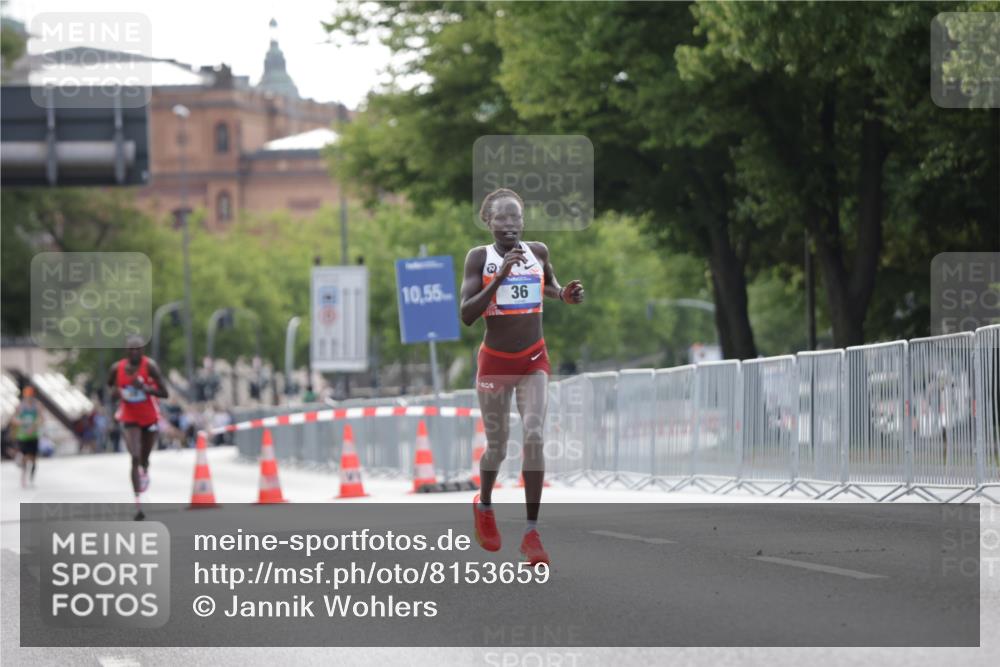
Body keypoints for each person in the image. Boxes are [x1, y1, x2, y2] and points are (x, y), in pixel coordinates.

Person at [459, 188, 585, 566]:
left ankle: (531, 532)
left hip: (533, 359)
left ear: (523, 221)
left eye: (516, 218)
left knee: (533, 433)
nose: (510, 225)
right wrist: (499, 278)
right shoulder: (479, 258)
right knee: (497, 445)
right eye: (502, 218)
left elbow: (545, 285)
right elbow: (466, 313)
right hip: (496, 364)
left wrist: (564, 294)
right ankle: (484, 504)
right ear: (489, 222)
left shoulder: (538, 251)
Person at [107, 335, 169, 520]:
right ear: (126, 351)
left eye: (138, 349)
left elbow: (164, 393)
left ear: (143, 351)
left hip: (149, 417)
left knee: (144, 458)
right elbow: (109, 390)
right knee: (134, 457)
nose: (134, 352)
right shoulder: (116, 368)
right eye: (131, 349)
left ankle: (145, 468)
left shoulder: (149, 366)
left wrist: (145, 388)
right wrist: (115, 393)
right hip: (129, 416)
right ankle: (138, 504)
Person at [11, 386, 43, 487]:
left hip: (33, 435)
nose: (29, 397)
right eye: (27, 395)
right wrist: (20, 422)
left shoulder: (37, 406)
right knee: (25, 457)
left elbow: (41, 418)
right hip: (23, 436)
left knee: (33, 459)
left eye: (30, 395)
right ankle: (23, 477)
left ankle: (31, 478)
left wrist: (34, 425)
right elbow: (14, 419)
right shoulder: (20, 407)